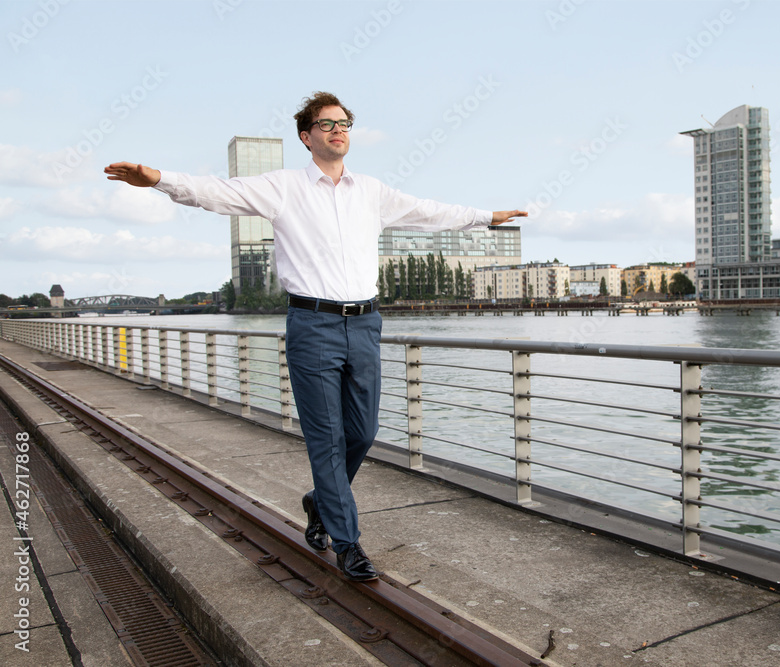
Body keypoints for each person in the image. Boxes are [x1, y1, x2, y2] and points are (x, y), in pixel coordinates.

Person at [105, 92, 526, 581]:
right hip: (313, 325)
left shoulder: (370, 191)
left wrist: (486, 217)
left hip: (365, 324)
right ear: (306, 137)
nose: (338, 130)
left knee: (362, 433)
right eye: (326, 124)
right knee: (326, 439)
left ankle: (320, 501)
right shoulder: (283, 187)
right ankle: (348, 543)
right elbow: (217, 191)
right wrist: (159, 179)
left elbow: (428, 211)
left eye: (344, 122)